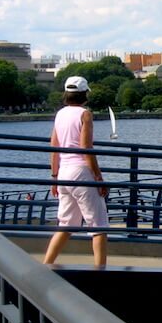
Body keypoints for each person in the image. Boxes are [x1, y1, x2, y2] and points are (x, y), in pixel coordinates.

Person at [44, 76, 109, 266]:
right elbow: (85, 148)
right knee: (99, 226)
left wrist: (54, 177)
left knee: (66, 224)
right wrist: (98, 177)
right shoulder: (85, 114)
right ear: (84, 94)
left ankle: (46, 265)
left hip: (64, 173)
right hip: (81, 172)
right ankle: (100, 270)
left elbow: (54, 146)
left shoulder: (60, 114)